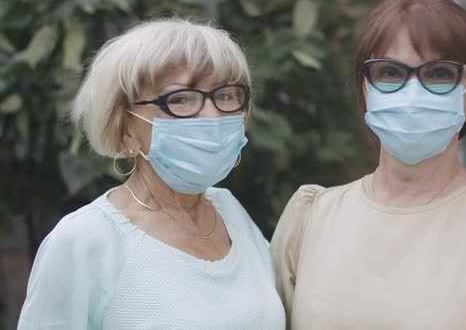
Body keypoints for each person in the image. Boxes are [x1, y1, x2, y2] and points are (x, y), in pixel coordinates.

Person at [270, 0, 466, 329]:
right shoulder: (310, 219)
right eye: (390, 72)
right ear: (366, 86)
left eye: (439, 73)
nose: (411, 92)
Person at [18, 18, 285, 330]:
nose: (213, 116)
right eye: (181, 99)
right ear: (125, 127)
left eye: (225, 95)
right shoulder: (85, 240)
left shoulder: (229, 211)